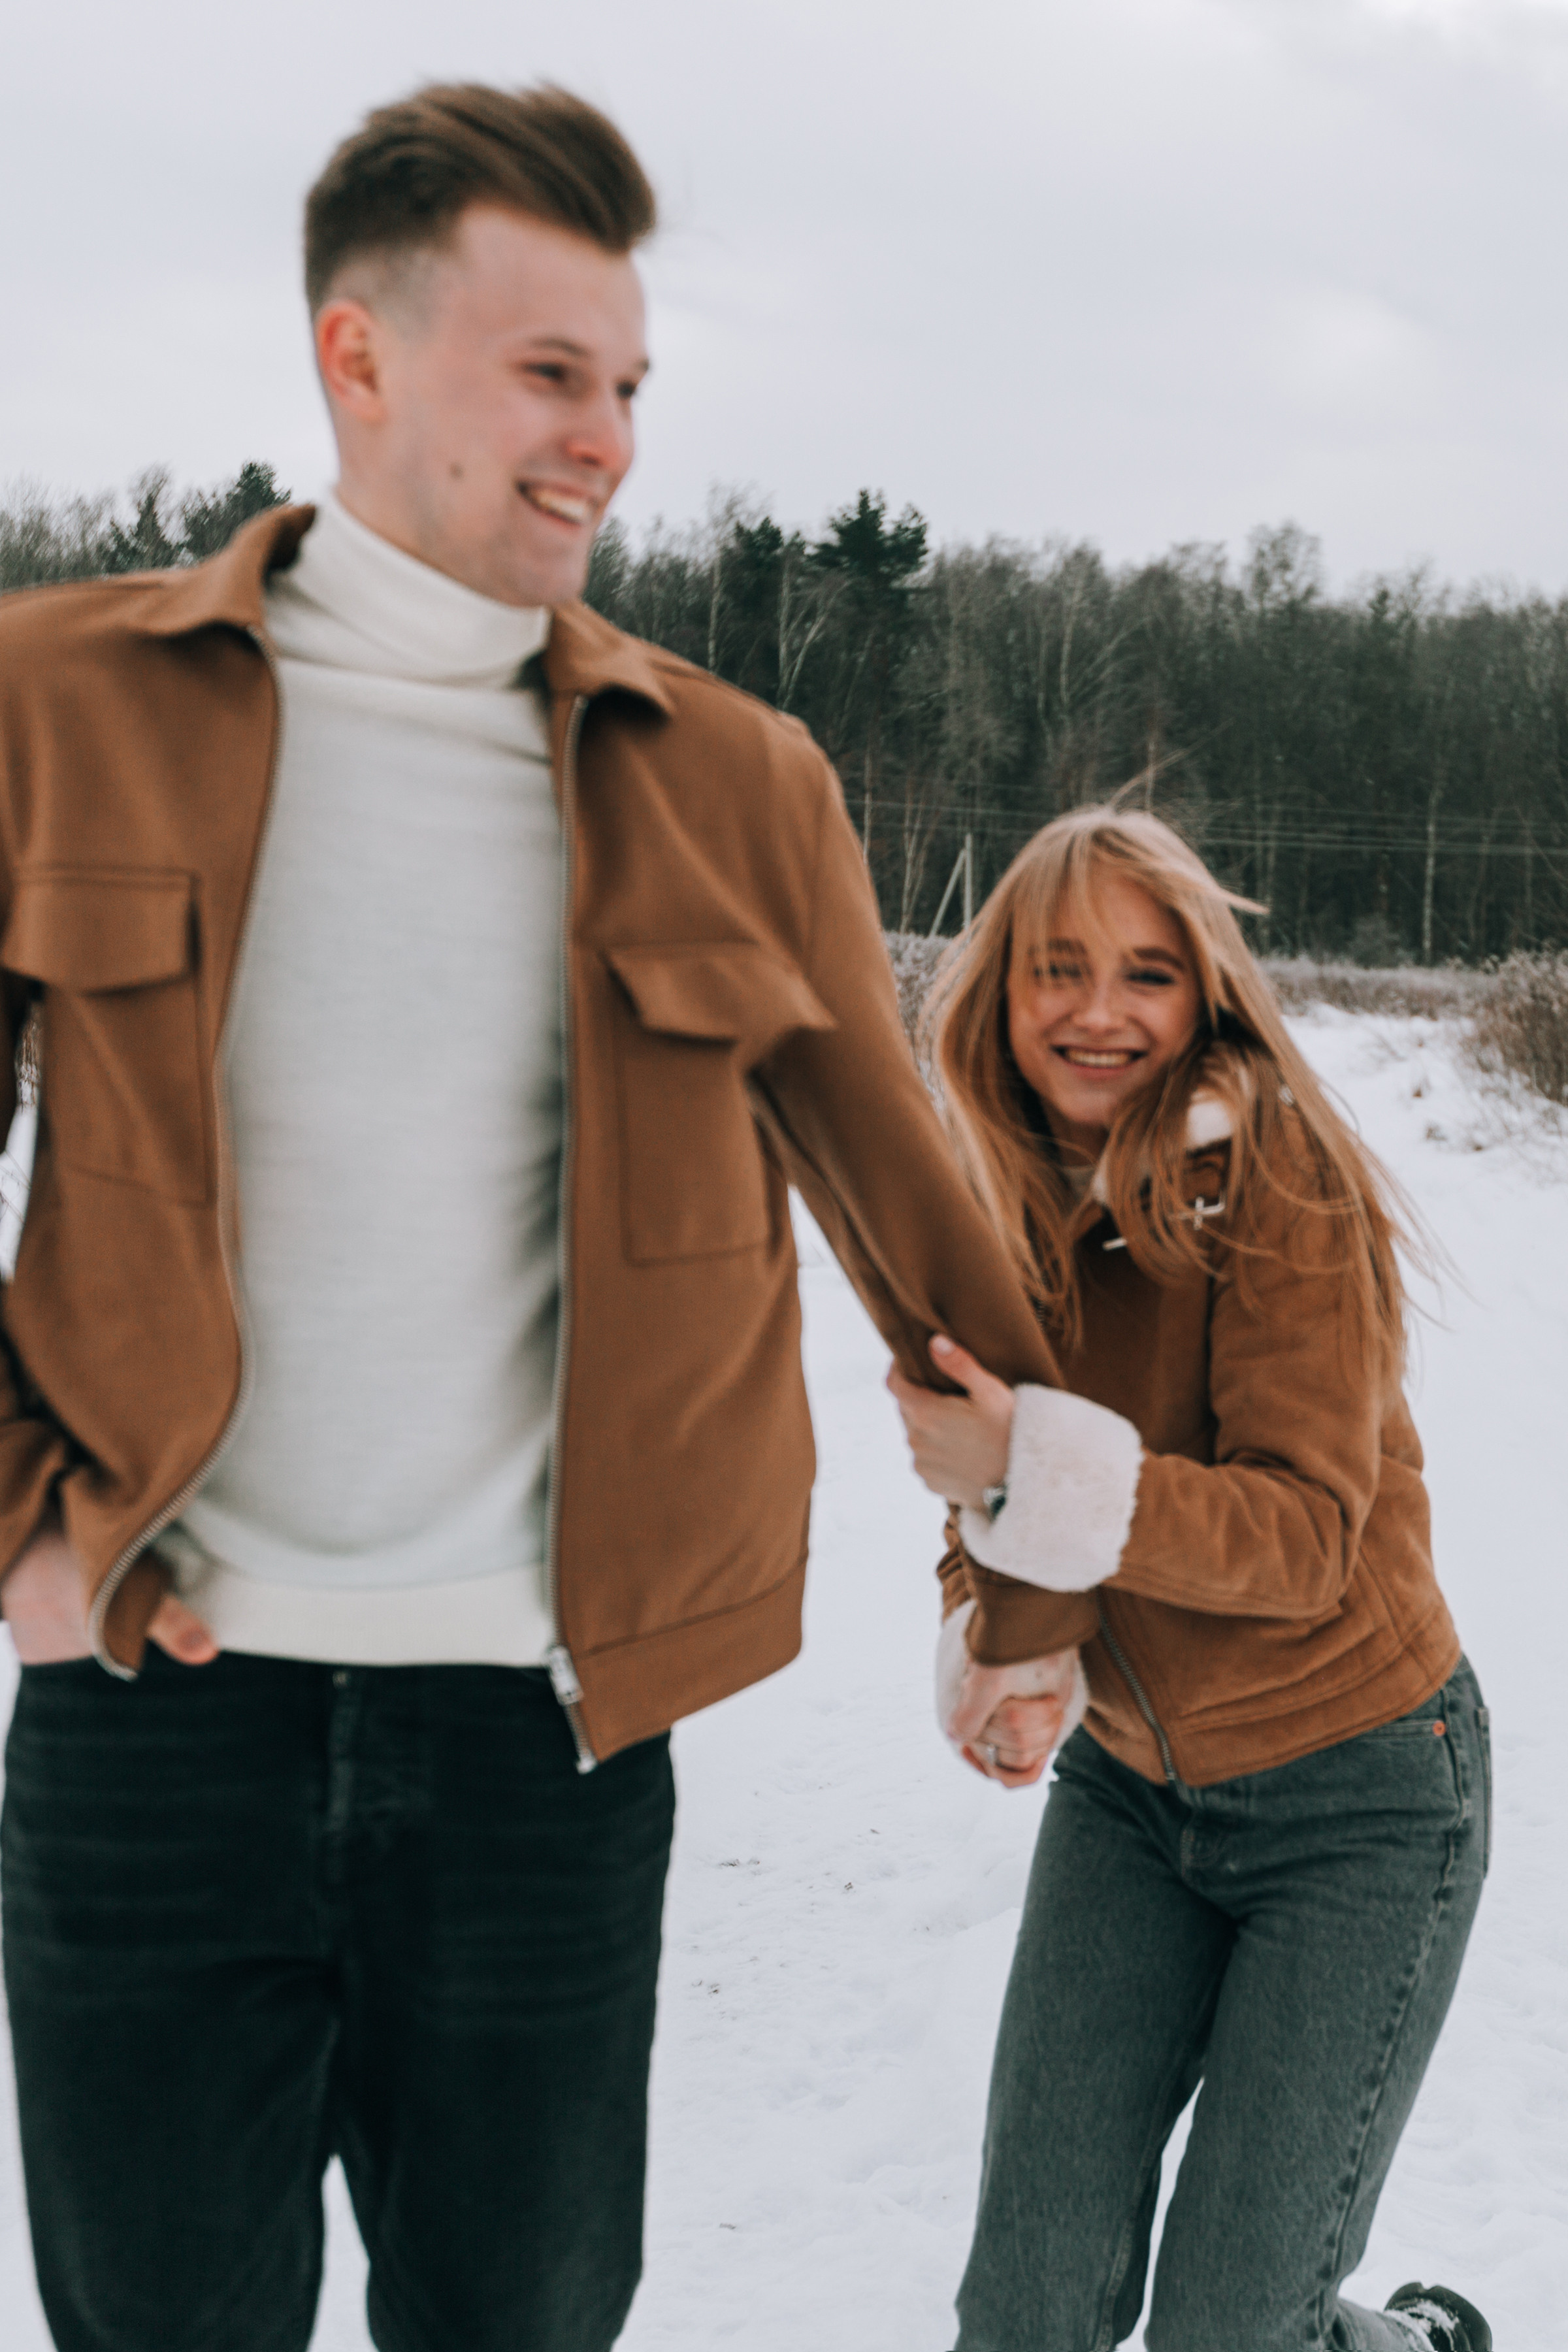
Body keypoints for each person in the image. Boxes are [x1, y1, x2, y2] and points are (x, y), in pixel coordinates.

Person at [0, 84, 1060, 2352]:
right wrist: (15, 1520)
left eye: (633, 389)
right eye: (551, 374)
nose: (608, 441)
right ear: (355, 358)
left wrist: (1033, 1575)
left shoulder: (731, 777)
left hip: (539, 1746)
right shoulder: (55, 705)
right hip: (148, 1725)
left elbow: (925, 1225)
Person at [889, 806, 1492, 2352]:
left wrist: (1033, 1466)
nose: (1100, 1011)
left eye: (1148, 974)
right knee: (1025, 2307)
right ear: (1000, 988)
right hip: (1132, 1797)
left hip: (1357, 1798)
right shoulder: (986, 1196)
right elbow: (986, 1480)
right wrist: (1001, 1642)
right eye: (1060, 968)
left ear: (1206, 994)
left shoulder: (1278, 1179)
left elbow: (1301, 1538)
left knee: (1234, 2327)